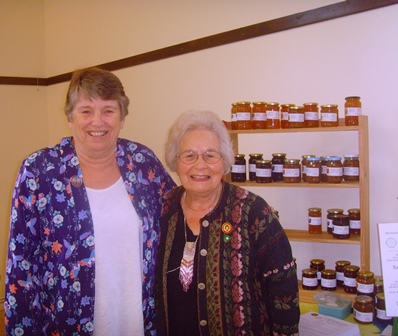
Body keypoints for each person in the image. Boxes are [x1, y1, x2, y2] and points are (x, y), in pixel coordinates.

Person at [4, 67, 176, 335]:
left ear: (122, 117)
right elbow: (21, 266)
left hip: (140, 322)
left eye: (108, 110)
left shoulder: (143, 163)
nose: (98, 121)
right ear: (71, 117)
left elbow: (178, 220)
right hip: (65, 324)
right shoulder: (39, 171)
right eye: (86, 111)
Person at [155, 110, 300, 335]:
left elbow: (283, 285)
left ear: (225, 161)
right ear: (176, 161)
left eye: (211, 155)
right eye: (189, 155)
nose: (200, 165)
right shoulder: (163, 210)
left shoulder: (254, 212)